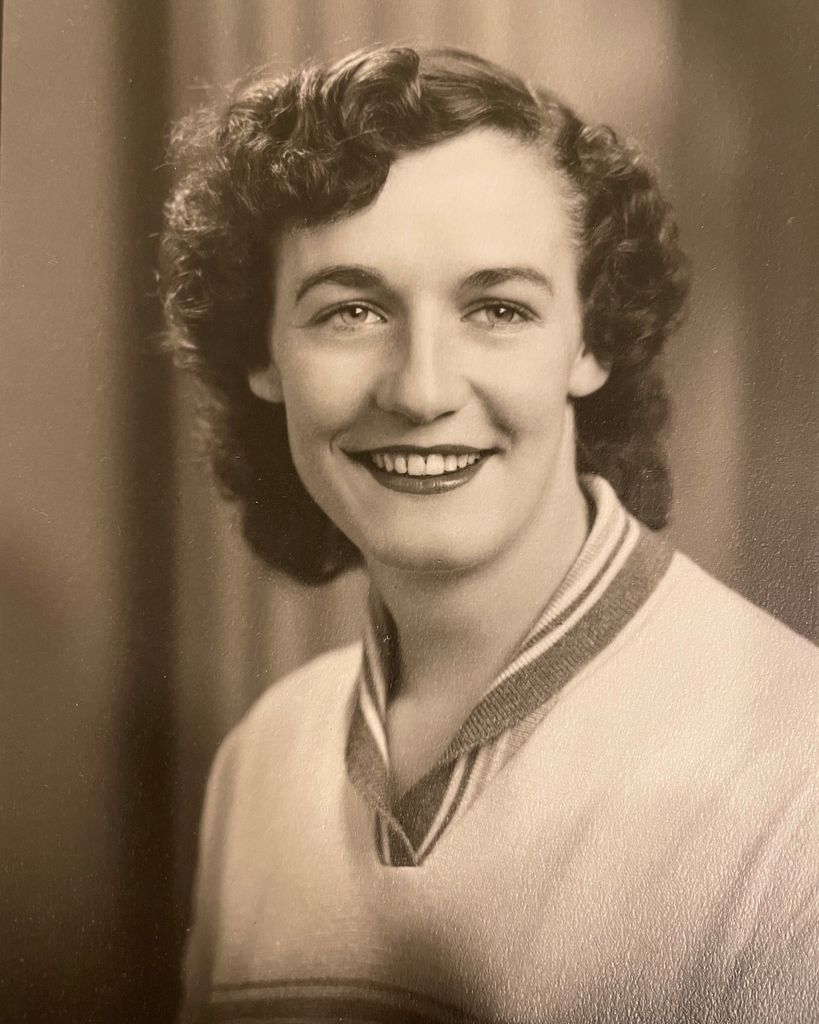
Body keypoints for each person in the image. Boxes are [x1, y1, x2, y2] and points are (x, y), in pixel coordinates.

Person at [160, 46, 817, 1024]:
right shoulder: (262, 757)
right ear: (263, 353)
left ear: (589, 341)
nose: (421, 388)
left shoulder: (793, 775)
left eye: (498, 308)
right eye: (351, 310)